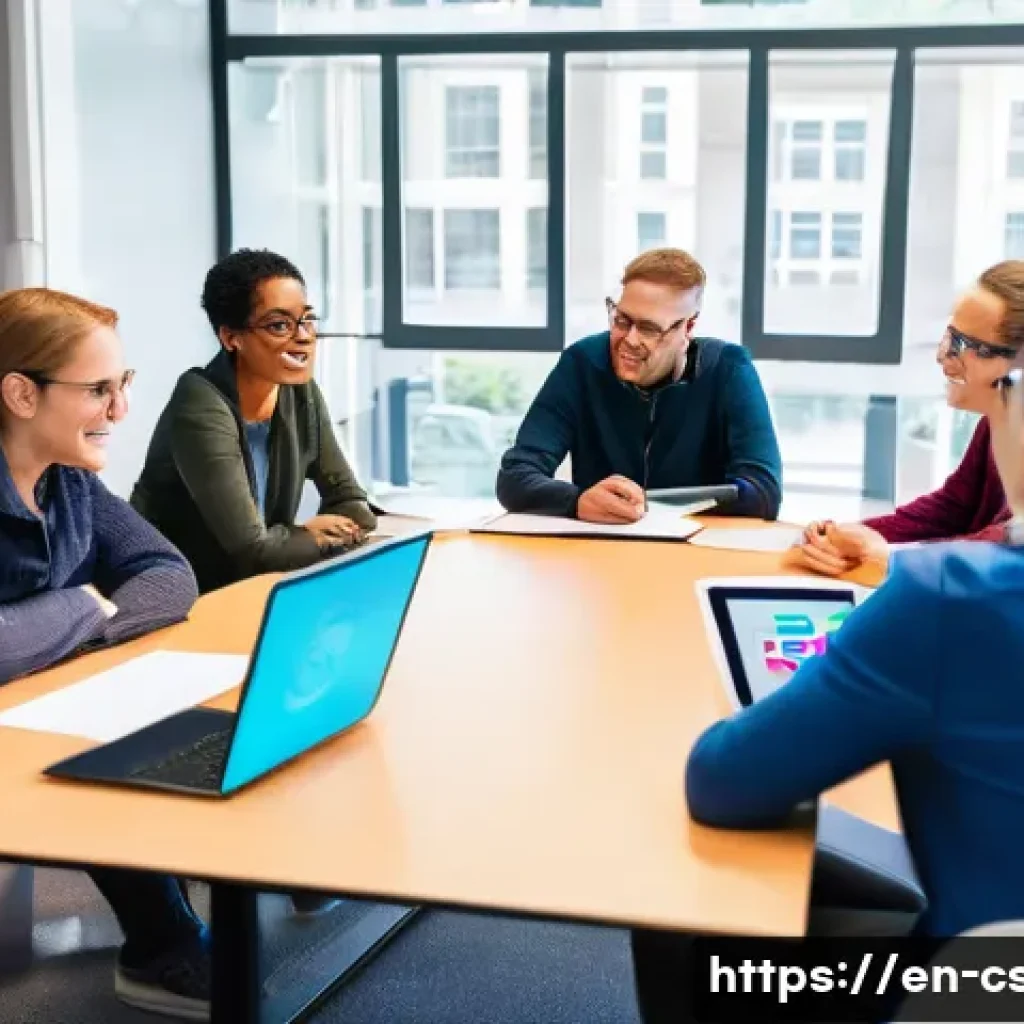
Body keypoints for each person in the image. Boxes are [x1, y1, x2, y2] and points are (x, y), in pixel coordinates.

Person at [629, 356, 1024, 1023]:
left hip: (985, 990)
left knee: (687, 918)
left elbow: (723, 781)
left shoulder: (953, 598)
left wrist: (837, 673)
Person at [0, 288, 209, 1020]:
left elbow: (169, 577)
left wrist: (61, 629)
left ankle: (163, 942)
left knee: (158, 725)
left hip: (32, 711)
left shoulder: (71, 483)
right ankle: (165, 944)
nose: (119, 411)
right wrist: (77, 606)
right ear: (22, 394)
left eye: (122, 385)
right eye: (97, 390)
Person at [130, 248, 377, 596]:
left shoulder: (299, 393)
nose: (303, 336)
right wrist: (312, 535)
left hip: (254, 589)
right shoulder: (199, 404)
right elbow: (252, 550)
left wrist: (301, 540)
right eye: (280, 325)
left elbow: (353, 504)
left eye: (306, 319)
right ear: (231, 337)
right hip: (179, 597)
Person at [495, 249, 782, 523]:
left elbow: (763, 491)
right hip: (599, 556)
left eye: (649, 329)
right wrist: (577, 501)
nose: (629, 340)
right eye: (622, 320)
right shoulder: (582, 362)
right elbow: (515, 476)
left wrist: (648, 504)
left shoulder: (728, 368)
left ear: (688, 328)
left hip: (698, 556)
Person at [790, 260, 1024, 578]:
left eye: (964, 345)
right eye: (949, 337)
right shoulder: (1000, 418)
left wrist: (887, 556)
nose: (943, 357)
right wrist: (844, 537)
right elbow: (953, 507)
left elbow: (1005, 554)